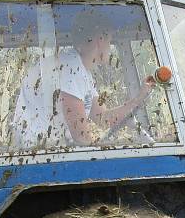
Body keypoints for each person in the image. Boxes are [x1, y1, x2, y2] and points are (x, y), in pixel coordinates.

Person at [12, 10, 157, 148]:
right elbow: (81, 136)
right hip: (41, 156)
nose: (109, 47)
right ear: (100, 39)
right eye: (109, 41)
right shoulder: (70, 68)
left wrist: (140, 97)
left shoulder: (81, 71)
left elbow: (102, 119)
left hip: (49, 151)